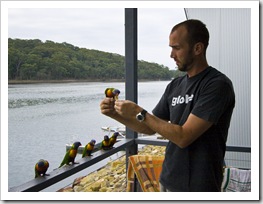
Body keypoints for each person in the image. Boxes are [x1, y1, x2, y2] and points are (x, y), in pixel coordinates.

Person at [100, 19, 235, 192]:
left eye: (177, 48)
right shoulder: (175, 85)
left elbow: (184, 137)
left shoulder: (217, 85)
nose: (171, 54)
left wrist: (139, 111)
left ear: (198, 48)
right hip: (168, 180)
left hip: (200, 186)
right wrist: (114, 114)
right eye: (171, 48)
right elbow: (148, 128)